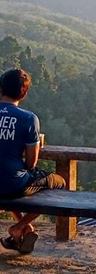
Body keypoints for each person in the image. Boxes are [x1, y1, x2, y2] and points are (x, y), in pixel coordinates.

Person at [0, 69, 66, 254]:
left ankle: (23, 229)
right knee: (59, 183)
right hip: (13, 184)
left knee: (14, 180)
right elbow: (31, 163)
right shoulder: (29, 118)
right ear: (24, 93)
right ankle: (20, 226)